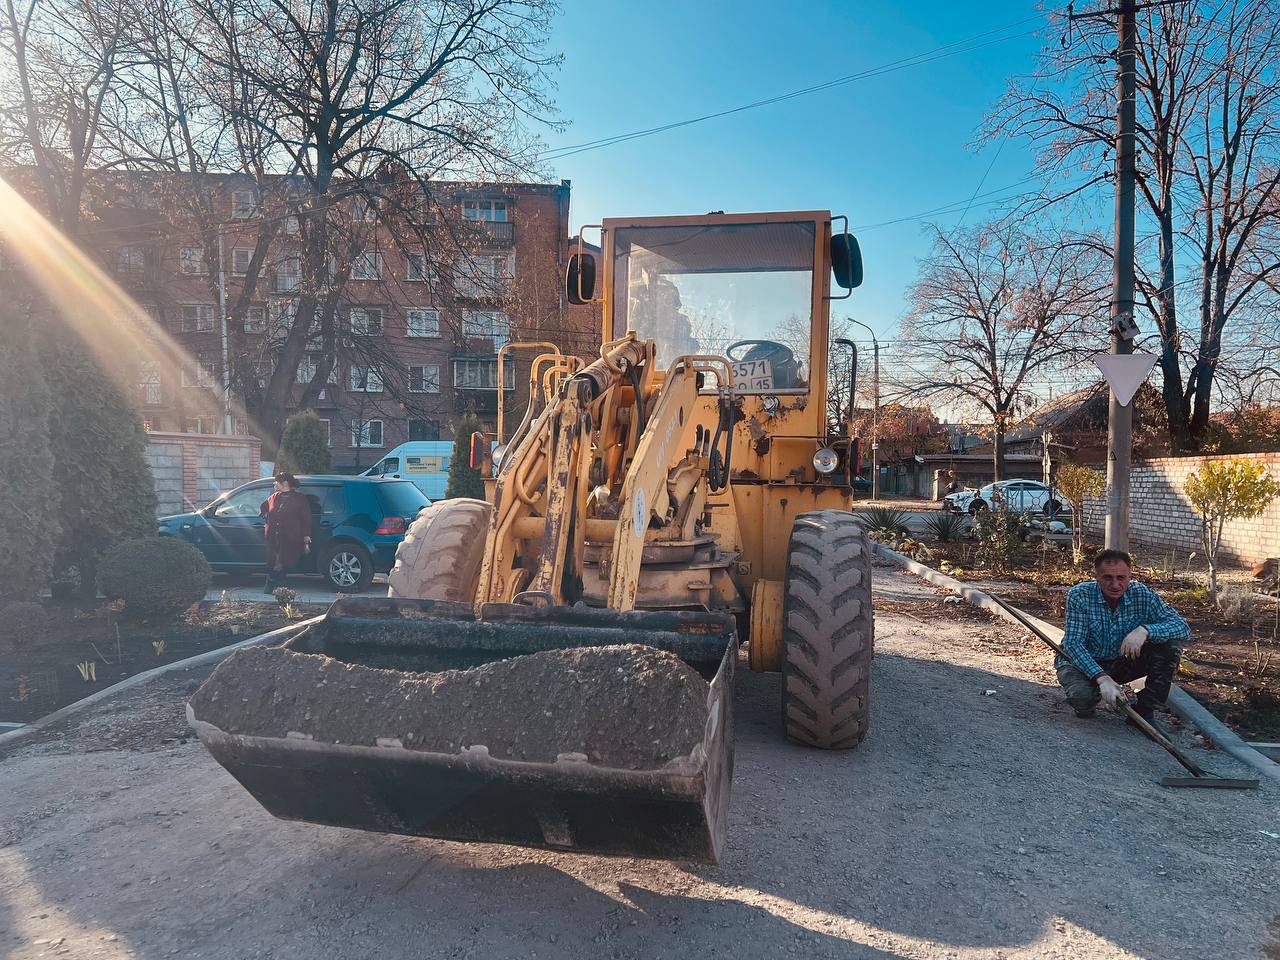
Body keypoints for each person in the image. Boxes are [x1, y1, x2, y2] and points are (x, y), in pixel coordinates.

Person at [1057, 549, 1189, 723]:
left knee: (1171, 646)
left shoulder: (1142, 594)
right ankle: (1096, 690)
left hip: (1120, 662)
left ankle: (1144, 711)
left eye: (1121, 578)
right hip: (1081, 663)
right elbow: (1073, 644)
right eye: (1107, 578)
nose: (1115, 585)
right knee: (1083, 700)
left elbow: (1182, 627)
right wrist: (1102, 678)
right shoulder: (1080, 595)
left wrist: (1144, 630)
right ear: (1096, 576)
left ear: (1129, 575)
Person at [259, 473, 312, 593]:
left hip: (290, 536)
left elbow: (306, 518)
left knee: (283, 562)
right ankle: (275, 585)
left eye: (276, 482)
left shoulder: (299, 498)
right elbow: (264, 507)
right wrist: (266, 515)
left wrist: (306, 535)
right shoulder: (273, 497)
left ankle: (278, 586)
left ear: (285, 483)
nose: (274, 484)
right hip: (273, 537)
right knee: (273, 561)